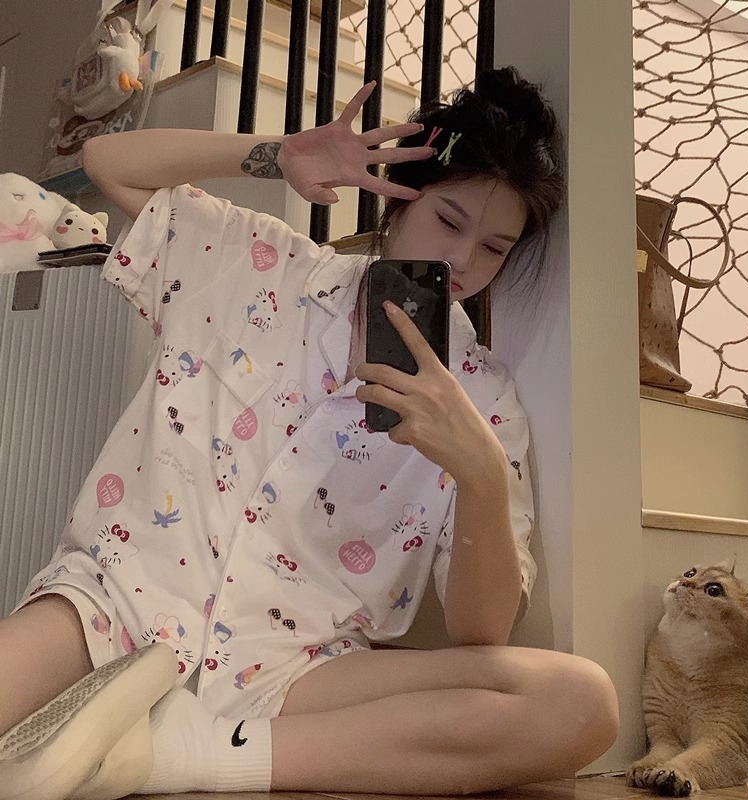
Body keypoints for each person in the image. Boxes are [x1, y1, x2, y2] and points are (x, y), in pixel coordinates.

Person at [0, 67, 618, 800]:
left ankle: (184, 755)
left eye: (495, 248)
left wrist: (479, 471)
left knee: (579, 702)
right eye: (450, 222)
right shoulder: (257, 263)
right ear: (398, 196)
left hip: (297, 669)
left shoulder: (484, 401)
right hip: (115, 608)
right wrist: (276, 153)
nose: (462, 262)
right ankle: (161, 747)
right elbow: (107, 162)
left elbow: (479, 634)